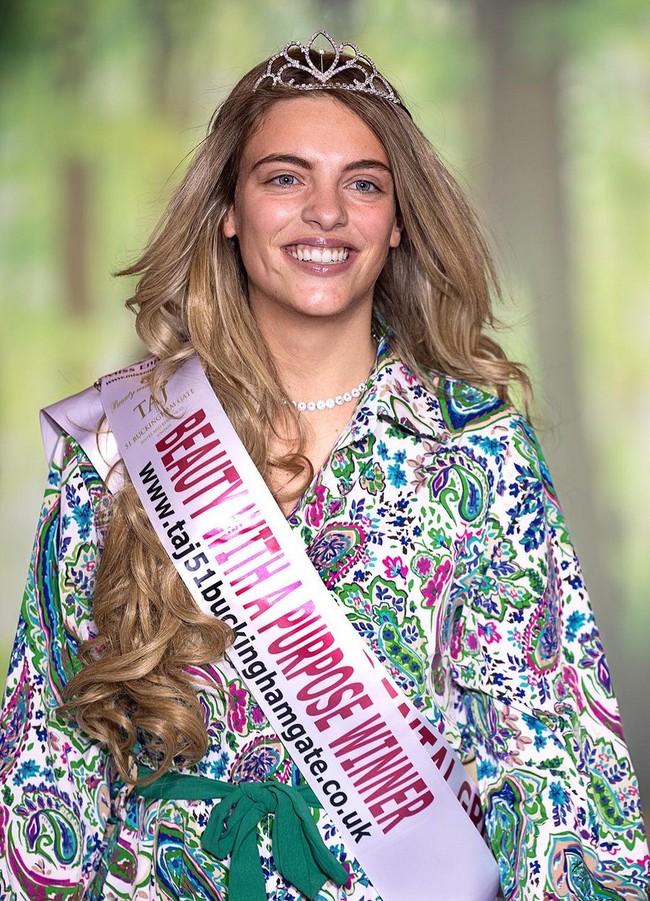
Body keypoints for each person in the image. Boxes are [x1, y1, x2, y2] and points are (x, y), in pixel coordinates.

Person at [0, 31, 647, 901]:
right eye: (285, 177)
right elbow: (47, 756)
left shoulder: (479, 449)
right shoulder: (123, 441)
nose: (326, 212)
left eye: (363, 184)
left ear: (397, 220)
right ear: (229, 208)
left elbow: (554, 768)